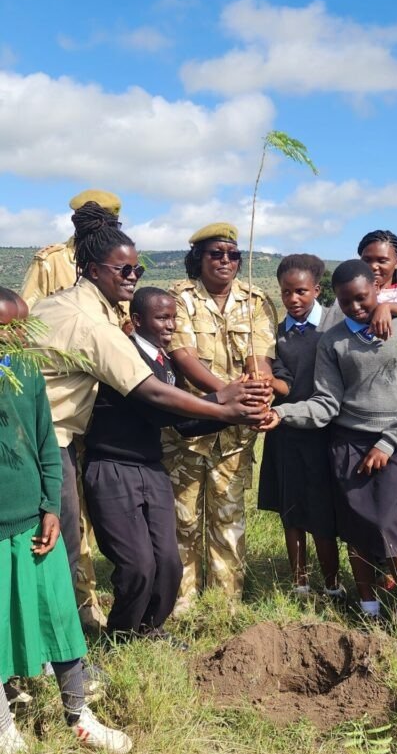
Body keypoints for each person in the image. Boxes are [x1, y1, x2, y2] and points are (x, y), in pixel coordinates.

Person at [32, 205, 266, 608]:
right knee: (60, 544)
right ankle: (63, 652)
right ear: (91, 270)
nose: (132, 277)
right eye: (123, 270)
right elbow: (152, 392)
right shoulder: (90, 323)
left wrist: (221, 399)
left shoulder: (75, 306)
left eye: (136, 271)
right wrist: (225, 408)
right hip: (48, 441)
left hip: (57, 439)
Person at [262, 259, 397, 631]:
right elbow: (327, 403)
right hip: (349, 442)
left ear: (376, 288)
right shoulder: (334, 340)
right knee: (355, 524)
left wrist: (388, 443)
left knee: (391, 524)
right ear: (336, 299)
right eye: (347, 302)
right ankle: (368, 609)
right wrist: (282, 415)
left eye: (363, 298)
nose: (357, 308)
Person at [0, 287, 132, 754]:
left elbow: (46, 444)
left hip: (34, 522)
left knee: (59, 616)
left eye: (21, 329)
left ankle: (78, 714)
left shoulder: (28, 372)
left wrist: (52, 507)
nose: (15, 341)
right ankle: (3, 726)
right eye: (5, 331)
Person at [83, 287, 229, 639]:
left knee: (168, 563)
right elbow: (155, 408)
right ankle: (120, 634)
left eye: (173, 318)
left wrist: (234, 415)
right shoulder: (126, 357)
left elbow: (182, 422)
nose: (170, 325)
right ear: (136, 320)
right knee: (137, 565)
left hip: (151, 468)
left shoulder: (163, 364)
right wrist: (223, 400)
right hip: (112, 468)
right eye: (162, 318)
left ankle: (150, 630)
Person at [21, 188, 122, 635]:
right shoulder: (51, 263)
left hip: (97, 403)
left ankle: (84, 602)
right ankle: (75, 609)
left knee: (94, 506)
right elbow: (23, 322)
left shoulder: (120, 261)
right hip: (59, 406)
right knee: (62, 512)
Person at [164, 222, 276, 615]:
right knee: (183, 521)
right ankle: (181, 603)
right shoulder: (179, 299)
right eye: (216, 254)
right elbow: (183, 358)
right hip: (187, 431)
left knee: (229, 521)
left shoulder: (255, 300)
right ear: (199, 258)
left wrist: (257, 389)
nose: (225, 261)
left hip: (234, 435)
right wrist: (226, 395)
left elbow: (260, 358)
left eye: (232, 254)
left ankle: (226, 605)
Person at [257, 254, 344, 599]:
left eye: (301, 292)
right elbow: (284, 384)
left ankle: (333, 585)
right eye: (286, 292)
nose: (293, 299)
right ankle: (299, 583)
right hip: (285, 431)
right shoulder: (277, 336)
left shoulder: (335, 327)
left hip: (325, 432)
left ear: (317, 290)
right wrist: (265, 382)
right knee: (290, 509)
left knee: (322, 512)